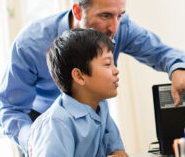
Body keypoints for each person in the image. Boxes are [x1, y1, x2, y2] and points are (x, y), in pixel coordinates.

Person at [0, 0, 185, 153]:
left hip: (88, 118)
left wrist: (178, 71)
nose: (114, 27)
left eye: (120, 16)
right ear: (78, 12)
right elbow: (10, 108)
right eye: (105, 15)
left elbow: (162, 52)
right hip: (41, 128)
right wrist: (33, 140)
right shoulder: (31, 44)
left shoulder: (118, 28)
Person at [29, 28, 126, 156]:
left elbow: (119, 152)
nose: (116, 70)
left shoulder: (100, 106)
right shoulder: (56, 124)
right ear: (79, 76)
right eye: (107, 64)